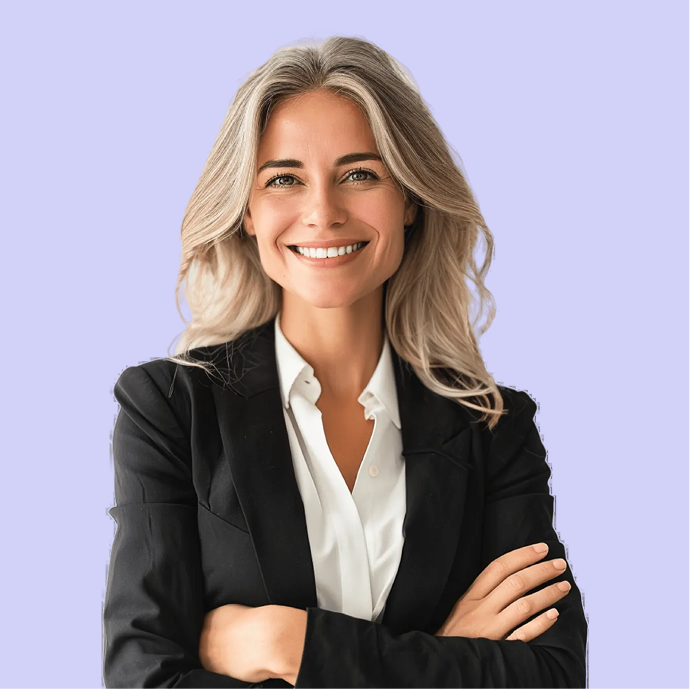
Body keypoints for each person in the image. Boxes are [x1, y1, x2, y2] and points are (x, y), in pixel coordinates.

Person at [104, 35, 587, 688]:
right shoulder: (168, 410)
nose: (323, 213)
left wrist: (289, 643)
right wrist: (440, 654)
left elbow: (552, 675)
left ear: (409, 197)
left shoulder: (494, 427)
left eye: (360, 174)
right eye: (284, 179)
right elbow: (144, 679)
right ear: (247, 211)